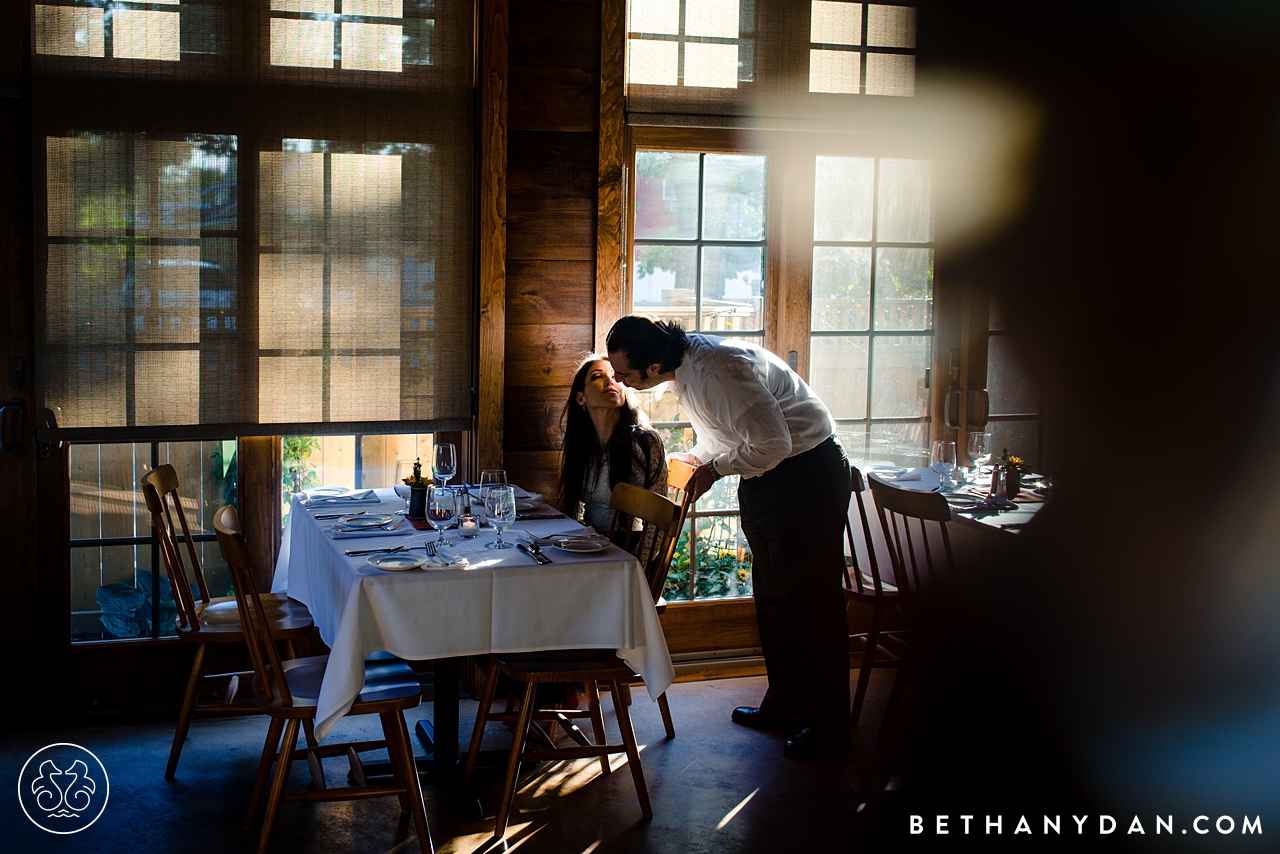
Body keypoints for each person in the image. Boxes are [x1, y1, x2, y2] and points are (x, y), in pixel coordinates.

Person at [606, 316, 852, 759]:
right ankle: (786, 705)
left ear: (654, 367)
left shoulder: (719, 369)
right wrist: (699, 455)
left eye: (624, 373)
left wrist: (714, 469)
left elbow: (773, 442)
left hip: (806, 474)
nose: (619, 380)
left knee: (812, 604)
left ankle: (831, 726)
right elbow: (727, 431)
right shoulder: (685, 368)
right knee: (774, 599)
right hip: (768, 477)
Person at [556, 354, 668, 534]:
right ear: (580, 398)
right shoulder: (579, 443)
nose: (610, 381)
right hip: (591, 545)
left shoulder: (645, 442)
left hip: (629, 549)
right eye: (597, 376)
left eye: (615, 376)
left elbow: (660, 519)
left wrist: (637, 562)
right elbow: (574, 510)